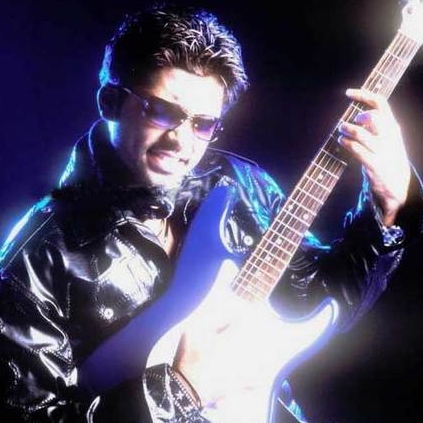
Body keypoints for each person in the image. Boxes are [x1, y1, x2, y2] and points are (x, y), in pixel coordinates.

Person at [0, 3, 422, 423]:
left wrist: (386, 207)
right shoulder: (37, 256)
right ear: (110, 102)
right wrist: (179, 389)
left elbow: (320, 302)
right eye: (161, 111)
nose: (181, 141)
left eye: (203, 123)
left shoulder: (240, 184)